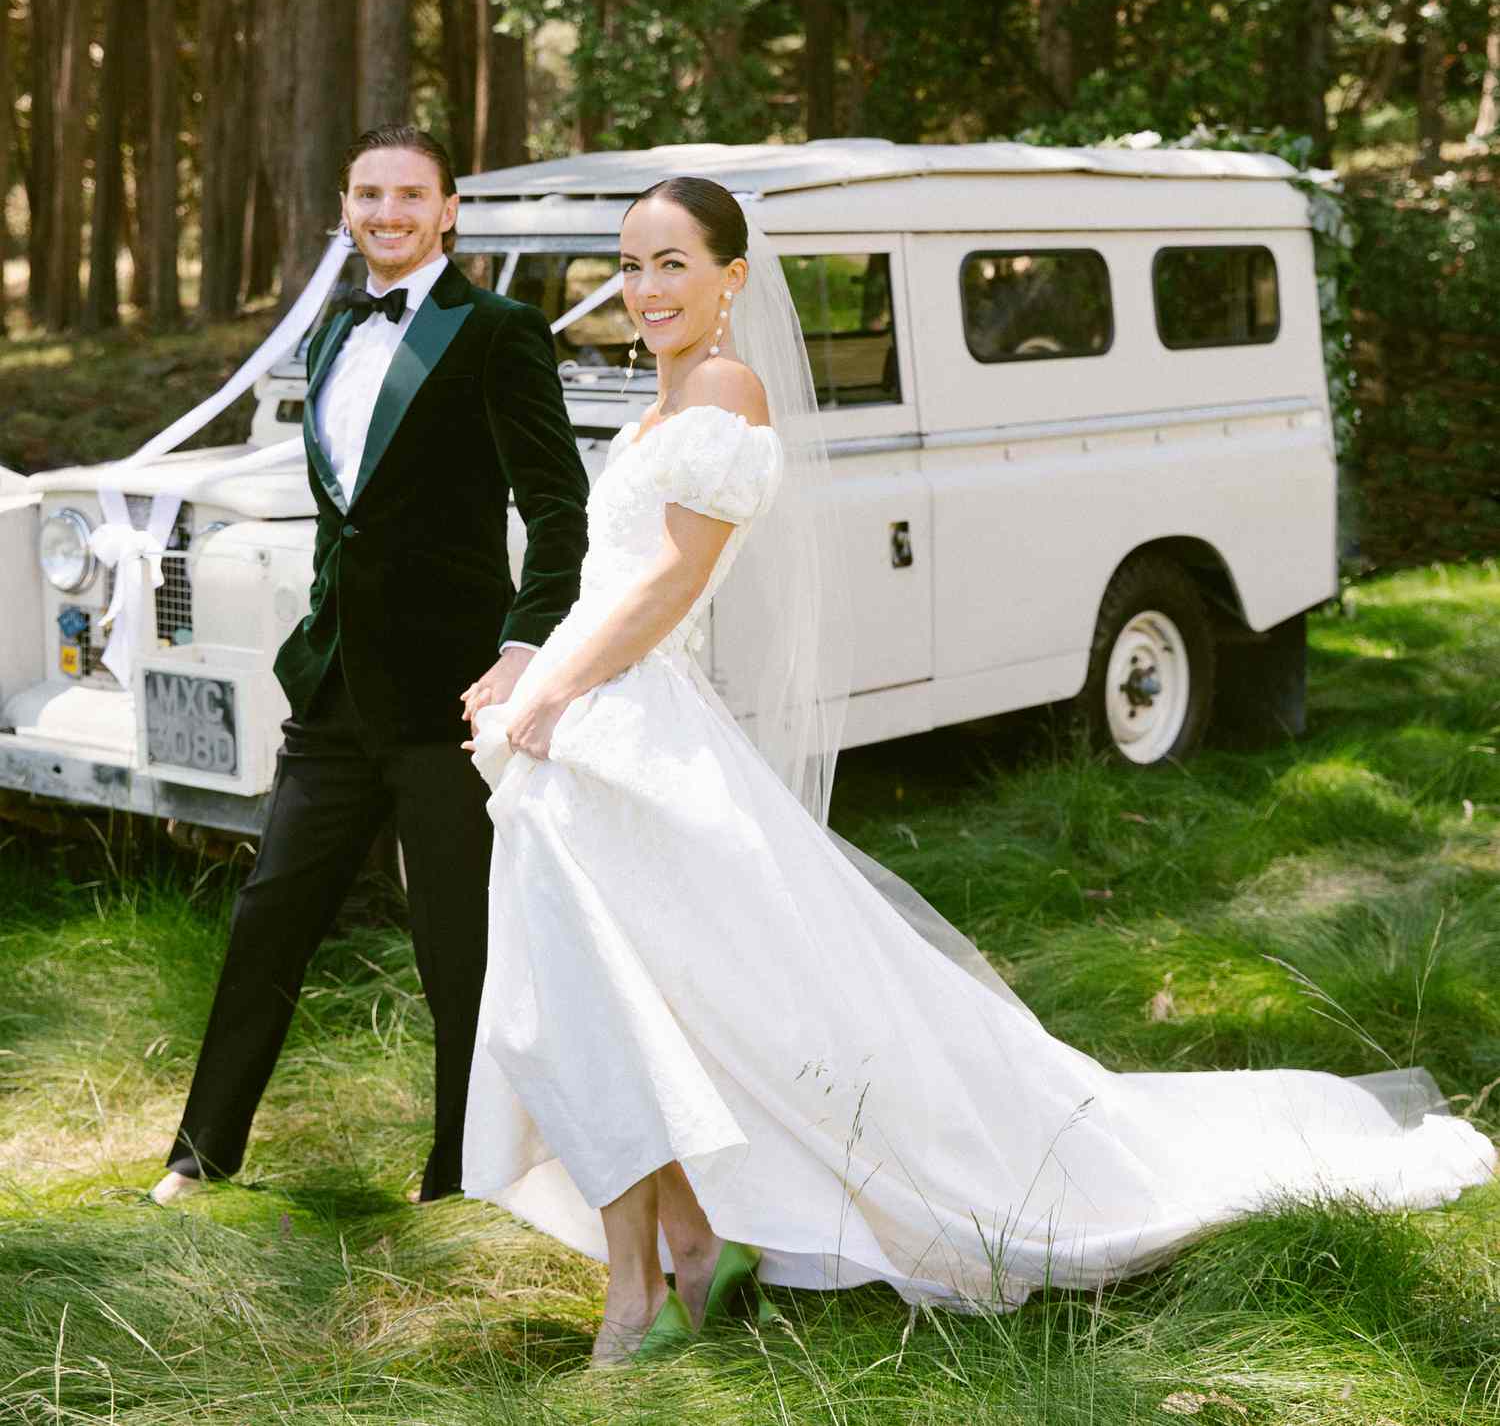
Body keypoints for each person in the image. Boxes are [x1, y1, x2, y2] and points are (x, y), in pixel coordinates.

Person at [458, 176, 1496, 1366]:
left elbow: (666, 586)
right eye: (630, 266)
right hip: (595, 715)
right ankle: (690, 1247)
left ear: (732, 279)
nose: (645, 290)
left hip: (628, 720)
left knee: (660, 1002)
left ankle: (653, 1285)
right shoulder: (656, 403)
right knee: (613, 1006)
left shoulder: (726, 392)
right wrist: (526, 661)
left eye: (672, 264)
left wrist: (547, 694)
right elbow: (606, 580)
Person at [150, 125, 590, 1207]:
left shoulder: (498, 331)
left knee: (455, 952)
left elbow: (557, 510)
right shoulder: (334, 330)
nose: (386, 214)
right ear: (343, 209)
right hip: (334, 692)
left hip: (450, 699)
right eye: (366, 195)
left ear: (448, 211)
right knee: (268, 922)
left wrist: (519, 656)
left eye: (408, 196)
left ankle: (458, 1176)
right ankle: (199, 1158)